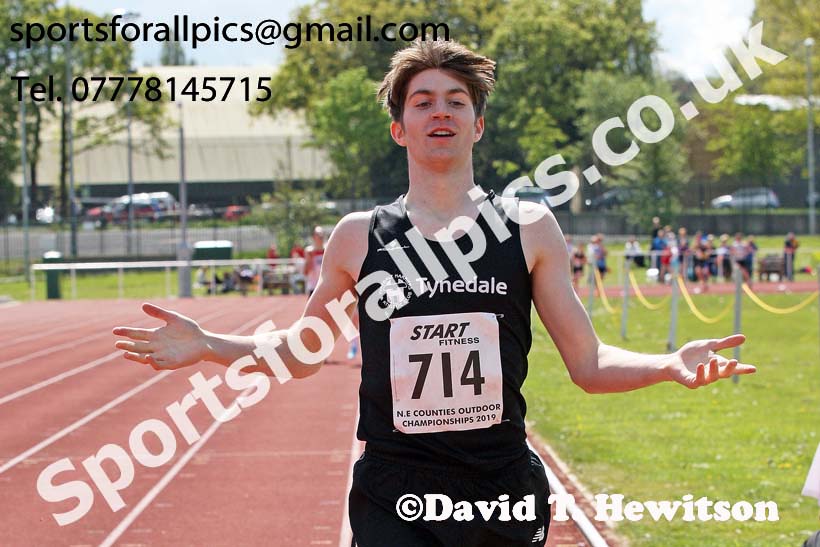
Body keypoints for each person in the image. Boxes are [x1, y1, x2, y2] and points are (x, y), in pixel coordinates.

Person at [112, 39, 754, 547]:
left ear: (478, 124)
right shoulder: (357, 237)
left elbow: (588, 365)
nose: (439, 112)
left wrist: (668, 365)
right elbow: (303, 354)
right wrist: (209, 345)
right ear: (400, 128)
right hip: (396, 490)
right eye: (422, 102)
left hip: (500, 484)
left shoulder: (529, 227)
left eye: (455, 101)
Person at [304, 226, 326, 296]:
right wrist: (310, 258)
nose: (321, 236)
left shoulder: (328, 250)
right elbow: (306, 272)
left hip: (326, 287)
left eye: (322, 234)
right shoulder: (309, 251)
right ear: (314, 237)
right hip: (313, 287)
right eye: (318, 234)